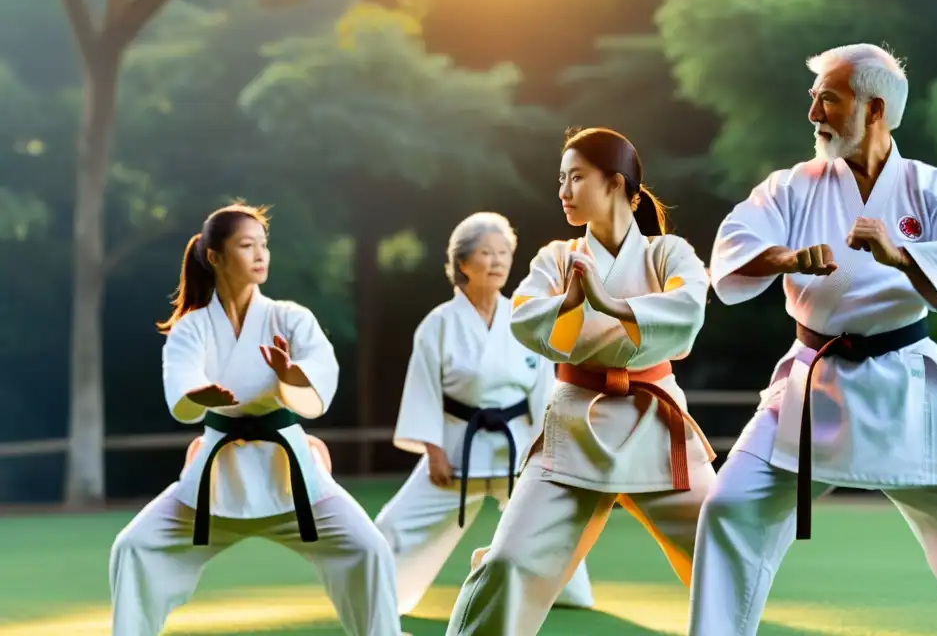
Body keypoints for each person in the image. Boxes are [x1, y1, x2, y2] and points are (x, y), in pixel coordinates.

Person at [689, 44, 937, 636]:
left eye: (829, 99)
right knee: (728, 509)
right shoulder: (793, 186)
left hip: (906, 382)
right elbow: (733, 245)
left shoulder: (931, 189)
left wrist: (900, 254)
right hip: (813, 382)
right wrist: (788, 257)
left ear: (875, 110)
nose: (814, 111)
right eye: (813, 98)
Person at [445, 127, 717, 636]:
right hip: (575, 425)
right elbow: (526, 316)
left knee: (725, 552)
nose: (563, 191)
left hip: (654, 424)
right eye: (561, 179)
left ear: (615, 184)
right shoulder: (556, 257)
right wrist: (572, 301)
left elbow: (688, 309)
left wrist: (611, 303)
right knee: (507, 561)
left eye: (576, 178)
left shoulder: (669, 254)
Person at [108, 203, 406, 636]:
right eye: (247, 246)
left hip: (292, 480)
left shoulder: (289, 317)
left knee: (369, 549)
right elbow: (181, 391)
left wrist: (290, 378)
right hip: (213, 486)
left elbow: (320, 383)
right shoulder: (192, 328)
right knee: (133, 547)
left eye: (263, 245)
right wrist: (200, 396)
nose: (260, 254)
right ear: (215, 256)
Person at [374, 212, 594, 616]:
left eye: (504, 253)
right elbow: (423, 391)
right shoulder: (437, 324)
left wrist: (547, 446)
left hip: (518, 443)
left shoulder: (524, 318)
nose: (497, 261)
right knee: (395, 525)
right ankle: (377, 594)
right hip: (458, 447)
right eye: (486, 252)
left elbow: (544, 390)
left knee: (550, 522)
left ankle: (561, 590)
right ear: (462, 264)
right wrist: (433, 450)